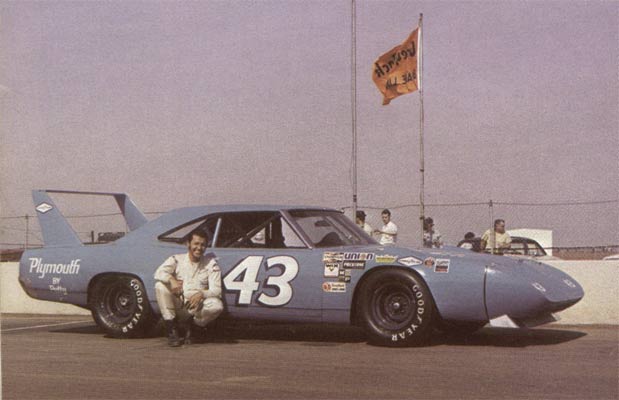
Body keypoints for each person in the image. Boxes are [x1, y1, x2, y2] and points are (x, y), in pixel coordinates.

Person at [154, 230, 223, 347]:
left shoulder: (210, 264)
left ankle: (193, 329)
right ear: (188, 244)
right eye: (196, 244)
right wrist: (172, 280)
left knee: (217, 306)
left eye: (203, 245)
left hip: (196, 307)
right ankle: (172, 329)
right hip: (178, 303)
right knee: (160, 286)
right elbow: (158, 273)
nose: (199, 248)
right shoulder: (176, 259)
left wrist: (202, 294)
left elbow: (217, 290)